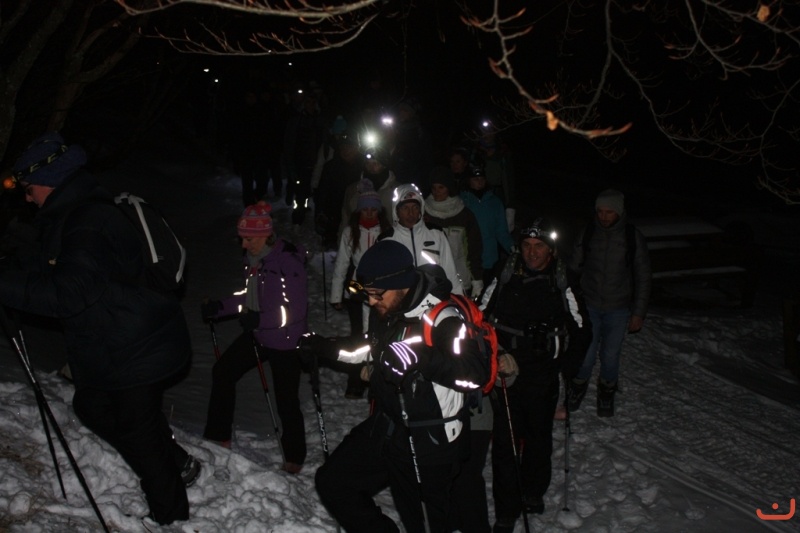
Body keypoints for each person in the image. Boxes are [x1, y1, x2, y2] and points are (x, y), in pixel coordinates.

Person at [0, 132, 198, 525]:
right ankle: (174, 461)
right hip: (118, 342)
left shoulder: (87, 221)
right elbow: (52, 266)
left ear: (49, 180)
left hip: (139, 346)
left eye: (29, 188)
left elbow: (68, 294)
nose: (27, 198)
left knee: (138, 432)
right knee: (92, 406)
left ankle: (171, 515)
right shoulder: (71, 215)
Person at [308, 239, 490, 533]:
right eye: (367, 294)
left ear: (401, 284)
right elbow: (371, 348)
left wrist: (421, 358)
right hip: (388, 426)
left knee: (425, 524)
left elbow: (473, 375)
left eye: (376, 294)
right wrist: (324, 347)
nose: (371, 302)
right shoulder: (387, 309)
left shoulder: (443, 319)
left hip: (430, 439)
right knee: (334, 482)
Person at [481, 217, 591, 531]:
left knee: (538, 437)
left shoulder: (562, 279)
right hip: (506, 373)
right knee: (506, 442)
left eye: (539, 246)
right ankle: (506, 510)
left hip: (543, 373)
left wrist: (570, 370)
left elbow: (582, 328)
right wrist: (493, 354)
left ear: (551, 250)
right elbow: (481, 315)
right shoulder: (505, 273)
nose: (532, 252)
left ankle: (532, 491)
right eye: (527, 245)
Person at [201, 201, 308, 473]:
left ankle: (294, 457)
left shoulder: (287, 262)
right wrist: (220, 307)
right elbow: (248, 298)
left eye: (248, 239)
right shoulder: (253, 261)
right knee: (223, 371)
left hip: (286, 341)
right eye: (242, 239)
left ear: (264, 235)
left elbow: (295, 311)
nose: (244, 245)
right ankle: (217, 437)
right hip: (259, 335)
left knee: (286, 400)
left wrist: (260, 319)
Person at [566, 189, 651, 417]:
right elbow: (573, 268)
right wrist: (571, 302)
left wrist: (639, 312)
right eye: (600, 211)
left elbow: (643, 275)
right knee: (586, 354)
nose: (603, 216)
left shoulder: (632, 237)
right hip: (589, 305)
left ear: (619, 212)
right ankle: (578, 386)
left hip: (618, 308)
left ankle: (606, 392)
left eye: (609, 212)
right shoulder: (589, 233)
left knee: (610, 356)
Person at [329, 182, 392, 398]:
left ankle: (380, 380)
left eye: (373, 209)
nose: (370, 213)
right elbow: (342, 264)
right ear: (359, 210)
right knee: (358, 336)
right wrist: (337, 295)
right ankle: (356, 381)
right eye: (365, 209)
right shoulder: (350, 232)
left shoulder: (387, 232)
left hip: (382, 288)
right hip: (357, 287)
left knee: (380, 335)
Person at [383, 183, 465, 295]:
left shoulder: (436, 234)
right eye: (405, 208)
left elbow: (450, 271)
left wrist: (458, 297)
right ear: (396, 211)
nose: (411, 213)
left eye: (415, 207)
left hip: (434, 298)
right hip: (402, 300)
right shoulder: (386, 240)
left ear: (421, 210)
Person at [424, 166, 484, 300]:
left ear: (449, 188)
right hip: (433, 282)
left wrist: (476, 279)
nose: (436, 192)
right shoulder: (424, 213)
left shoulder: (464, 215)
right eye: (433, 188)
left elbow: (474, 248)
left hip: (460, 280)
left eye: (441, 187)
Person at [460, 164, 515, 287]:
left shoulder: (495, 202)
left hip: (490, 260)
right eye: (475, 179)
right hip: (467, 262)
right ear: (469, 181)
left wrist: (512, 247)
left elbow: (501, 231)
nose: (479, 182)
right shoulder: (461, 202)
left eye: (482, 178)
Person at [313, 128, 362, 250]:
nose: (345, 150)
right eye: (343, 147)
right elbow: (322, 192)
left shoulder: (365, 167)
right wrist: (320, 214)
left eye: (349, 147)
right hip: (334, 217)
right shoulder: (331, 167)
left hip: (358, 216)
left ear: (357, 148)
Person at [338, 145, 397, 238]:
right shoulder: (353, 190)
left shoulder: (397, 190)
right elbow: (346, 219)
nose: (371, 167)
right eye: (368, 163)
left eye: (376, 163)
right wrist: (342, 241)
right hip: (358, 241)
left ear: (385, 165)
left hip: (388, 241)